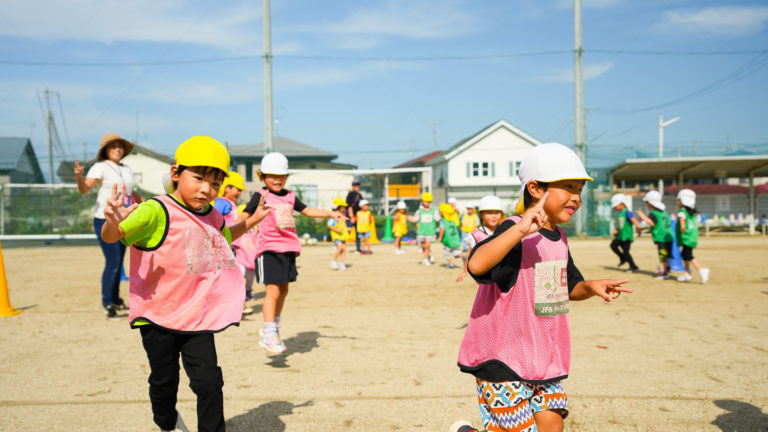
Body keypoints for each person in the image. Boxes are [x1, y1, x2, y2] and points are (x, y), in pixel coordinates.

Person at [99, 136, 272, 432]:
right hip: (157, 317)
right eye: (199, 178)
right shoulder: (156, 209)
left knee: (209, 383)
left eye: (215, 183)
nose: (207, 189)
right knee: (165, 381)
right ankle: (166, 422)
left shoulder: (213, 214)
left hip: (197, 317)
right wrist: (113, 221)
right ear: (177, 173)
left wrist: (251, 221)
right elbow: (112, 237)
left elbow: (223, 239)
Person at [457, 143, 632, 432]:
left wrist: (590, 286)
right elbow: (477, 266)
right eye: (567, 187)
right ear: (536, 189)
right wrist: (520, 230)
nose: (576, 197)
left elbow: (567, 287)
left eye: (579, 189)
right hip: (504, 360)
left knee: (553, 427)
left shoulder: (559, 238)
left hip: (544, 359)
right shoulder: (514, 231)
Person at [237, 152, 346, 354]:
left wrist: (330, 213)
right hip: (268, 249)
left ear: (286, 177)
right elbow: (245, 214)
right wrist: (234, 228)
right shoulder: (260, 196)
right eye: (272, 176)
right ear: (262, 177)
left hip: (288, 250)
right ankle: (269, 334)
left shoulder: (290, 196)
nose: (277, 180)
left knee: (284, 291)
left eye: (281, 176)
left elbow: (307, 211)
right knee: (273, 291)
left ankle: (272, 328)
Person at [74, 132, 143, 319]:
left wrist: (145, 205)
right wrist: (79, 177)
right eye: (113, 146)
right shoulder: (100, 167)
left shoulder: (126, 169)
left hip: (125, 219)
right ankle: (107, 303)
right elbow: (84, 189)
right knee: (113, 262)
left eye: (120, 146)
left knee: (119, 261)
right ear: (105, 150)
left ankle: (115, 298)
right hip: (104, 219)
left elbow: (132, 192)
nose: (118, 149)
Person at [213, 172, 254, 315]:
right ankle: (232, 305)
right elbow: (213, 218)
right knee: (234, 274)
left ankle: (232, 305)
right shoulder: (222, 203)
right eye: (237, 188)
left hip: (230, 245)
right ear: (227, 188)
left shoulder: (229, 204)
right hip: (224, 245)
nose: (239, 192)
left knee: (234, 273)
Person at [456, 195, 503, 283]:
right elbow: (470, 254)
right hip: (484, 277)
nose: (494, 216)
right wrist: (464, 272)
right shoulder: (476, 235)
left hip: (501, 276)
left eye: (496, 212)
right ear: (481, 214)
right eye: (489, 213)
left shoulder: (505, 232)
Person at [635, 190, 674, 279]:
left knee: (662, 255)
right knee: (667, 254)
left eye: (646, 202)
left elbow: (652, 223)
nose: (646, 204)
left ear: (650, 203)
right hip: (669, 237)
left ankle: (662, 271)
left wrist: (643, 217)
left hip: (661, 238)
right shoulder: (664, 212)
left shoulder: (653, 213)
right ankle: (667, 268)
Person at [675, 189, 710, 284]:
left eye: (678, 200)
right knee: (684, 255)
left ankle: (701, 270)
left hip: (686, 237)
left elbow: (682, 222)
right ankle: (687, 273)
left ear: (683, 201)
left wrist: (682, 228)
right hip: (692, 237)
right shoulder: (691, 212)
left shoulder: (682, 211)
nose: (677, 202)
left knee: (688, 255)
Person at [609, 193, 641, 273]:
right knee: (613, 245)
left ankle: (633, 267)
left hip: (626, 237)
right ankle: (622, 258)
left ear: (622, 204)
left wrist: (638, 229)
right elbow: (621, 225)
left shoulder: (627, 212)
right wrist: (616, 230)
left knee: (626, 252)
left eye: (615, 205)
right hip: (620, 236)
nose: (614, 207)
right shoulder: (620, 213)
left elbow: (634, 221)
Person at [409, 192, 440, 266]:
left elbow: (438, 219)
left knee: (428, 246)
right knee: (423, 246)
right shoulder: (419, 211)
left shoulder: (434, 211)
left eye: (429, 202)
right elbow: (414, 219)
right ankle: (429, 256)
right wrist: (407, 218)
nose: (427, 203)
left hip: (430, 232)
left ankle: (425, 260)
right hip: (421, 232)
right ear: (422, 202)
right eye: (426, 201)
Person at [438, 203, 462, 269]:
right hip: (455, 240)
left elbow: (442, 229)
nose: (440, 213)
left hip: (448, 241)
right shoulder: (453, 221)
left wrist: (440, 237)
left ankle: (451, 264)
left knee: (446, 252)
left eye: (441, 211)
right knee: (456, 252)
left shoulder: (443, 221)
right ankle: (465, 257)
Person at [328, 198, 350, 270]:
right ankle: (334, 261)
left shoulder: (342, 216)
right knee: (340, 247)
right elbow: (329, 225)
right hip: (337, 237)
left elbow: (342, 226)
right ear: (338, 207)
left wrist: (347, 229)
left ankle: (341, 263)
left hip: (342, 237)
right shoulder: (334, 216)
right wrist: (337, 230)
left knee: (344, 249)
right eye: (343, 207)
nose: (344, 208)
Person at [345, 179, 364, 253]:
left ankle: (358, 249)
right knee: (347, 232)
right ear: (352, 186)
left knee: (358, 233)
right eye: (355, 185)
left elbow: (362, 206)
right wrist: (351, 217)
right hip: (350, 217)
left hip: (358, 217)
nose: (357, 186)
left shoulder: (360, 195)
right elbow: (349, 206)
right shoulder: (350, 194)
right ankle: (340, 245)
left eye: (358, 185)